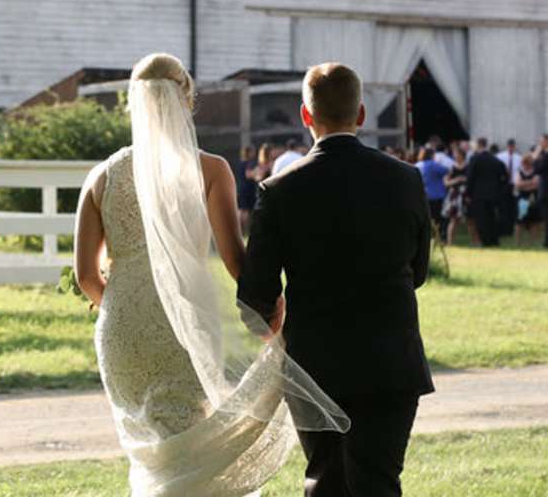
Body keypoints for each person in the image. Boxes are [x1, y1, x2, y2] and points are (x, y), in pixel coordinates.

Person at [72, 54, 348, 495]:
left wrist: (127, 307)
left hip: (120, 328)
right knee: (189, 452)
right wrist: (269, 309)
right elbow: (236, 261)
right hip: (182, 325)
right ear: (187, 98)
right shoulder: (210, 169)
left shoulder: (101, 177)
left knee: (154, 455)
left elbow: (86, 274)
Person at [238, 61, 431, 497]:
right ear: (361, 114)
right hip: (391, 355)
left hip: (315, 362)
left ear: (305, 116)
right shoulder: (405, 179)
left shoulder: (279, 189)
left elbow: (255, 296)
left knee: (325, 479)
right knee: (379, 481)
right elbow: (417, 271)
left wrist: (270, 322)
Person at [464, 138, 508, 248]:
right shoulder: (495, 159)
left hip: (478, 195)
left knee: (481, 219)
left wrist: (467, 194)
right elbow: (505, 177)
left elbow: (470, 178)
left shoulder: (474, 159)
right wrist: (499, 190)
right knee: (492, 218)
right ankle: (494, 240)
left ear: (478, 145)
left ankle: (485, 241)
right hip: (493, 195)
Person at [414, 147, 449, 240]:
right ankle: (438, 236)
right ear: (432, 155)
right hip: (437, 195)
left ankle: (428, 236)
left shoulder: (418, 165)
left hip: (423, 195)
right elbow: (446, 170)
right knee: (438, 218)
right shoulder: (434, 165)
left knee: (426, 218)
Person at [513, 153, 543, 246]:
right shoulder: (519, 171)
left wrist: (523, 184)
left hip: (533, 199)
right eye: (524, 163)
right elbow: (517, 185)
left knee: (534, 222)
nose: (525, 165)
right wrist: (530, 183)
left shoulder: (536, 172)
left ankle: (532, 242)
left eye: (527, 163)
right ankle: (518, 242)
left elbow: (536, 184)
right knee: (520, 222)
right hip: (522, 200)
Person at [443, 146, 468, 246]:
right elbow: (446, 182)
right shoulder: (452, 167)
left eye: (457, 154)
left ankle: (475, 240)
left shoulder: (468, 166)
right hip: (454, 195)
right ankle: (450, 242)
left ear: (462, 155)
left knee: (465, 220)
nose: (455, 156)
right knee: (453, 219)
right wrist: (457, 180)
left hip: (465, 194)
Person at [235, 143, 262, 235]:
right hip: (247, 189)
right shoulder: (249, 163)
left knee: (241, 210)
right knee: (246, 211)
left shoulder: (240, 162)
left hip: (240, 188)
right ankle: (245, 231)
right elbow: (249, 174)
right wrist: (257, 173)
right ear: (249, 152)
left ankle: (239, 230)